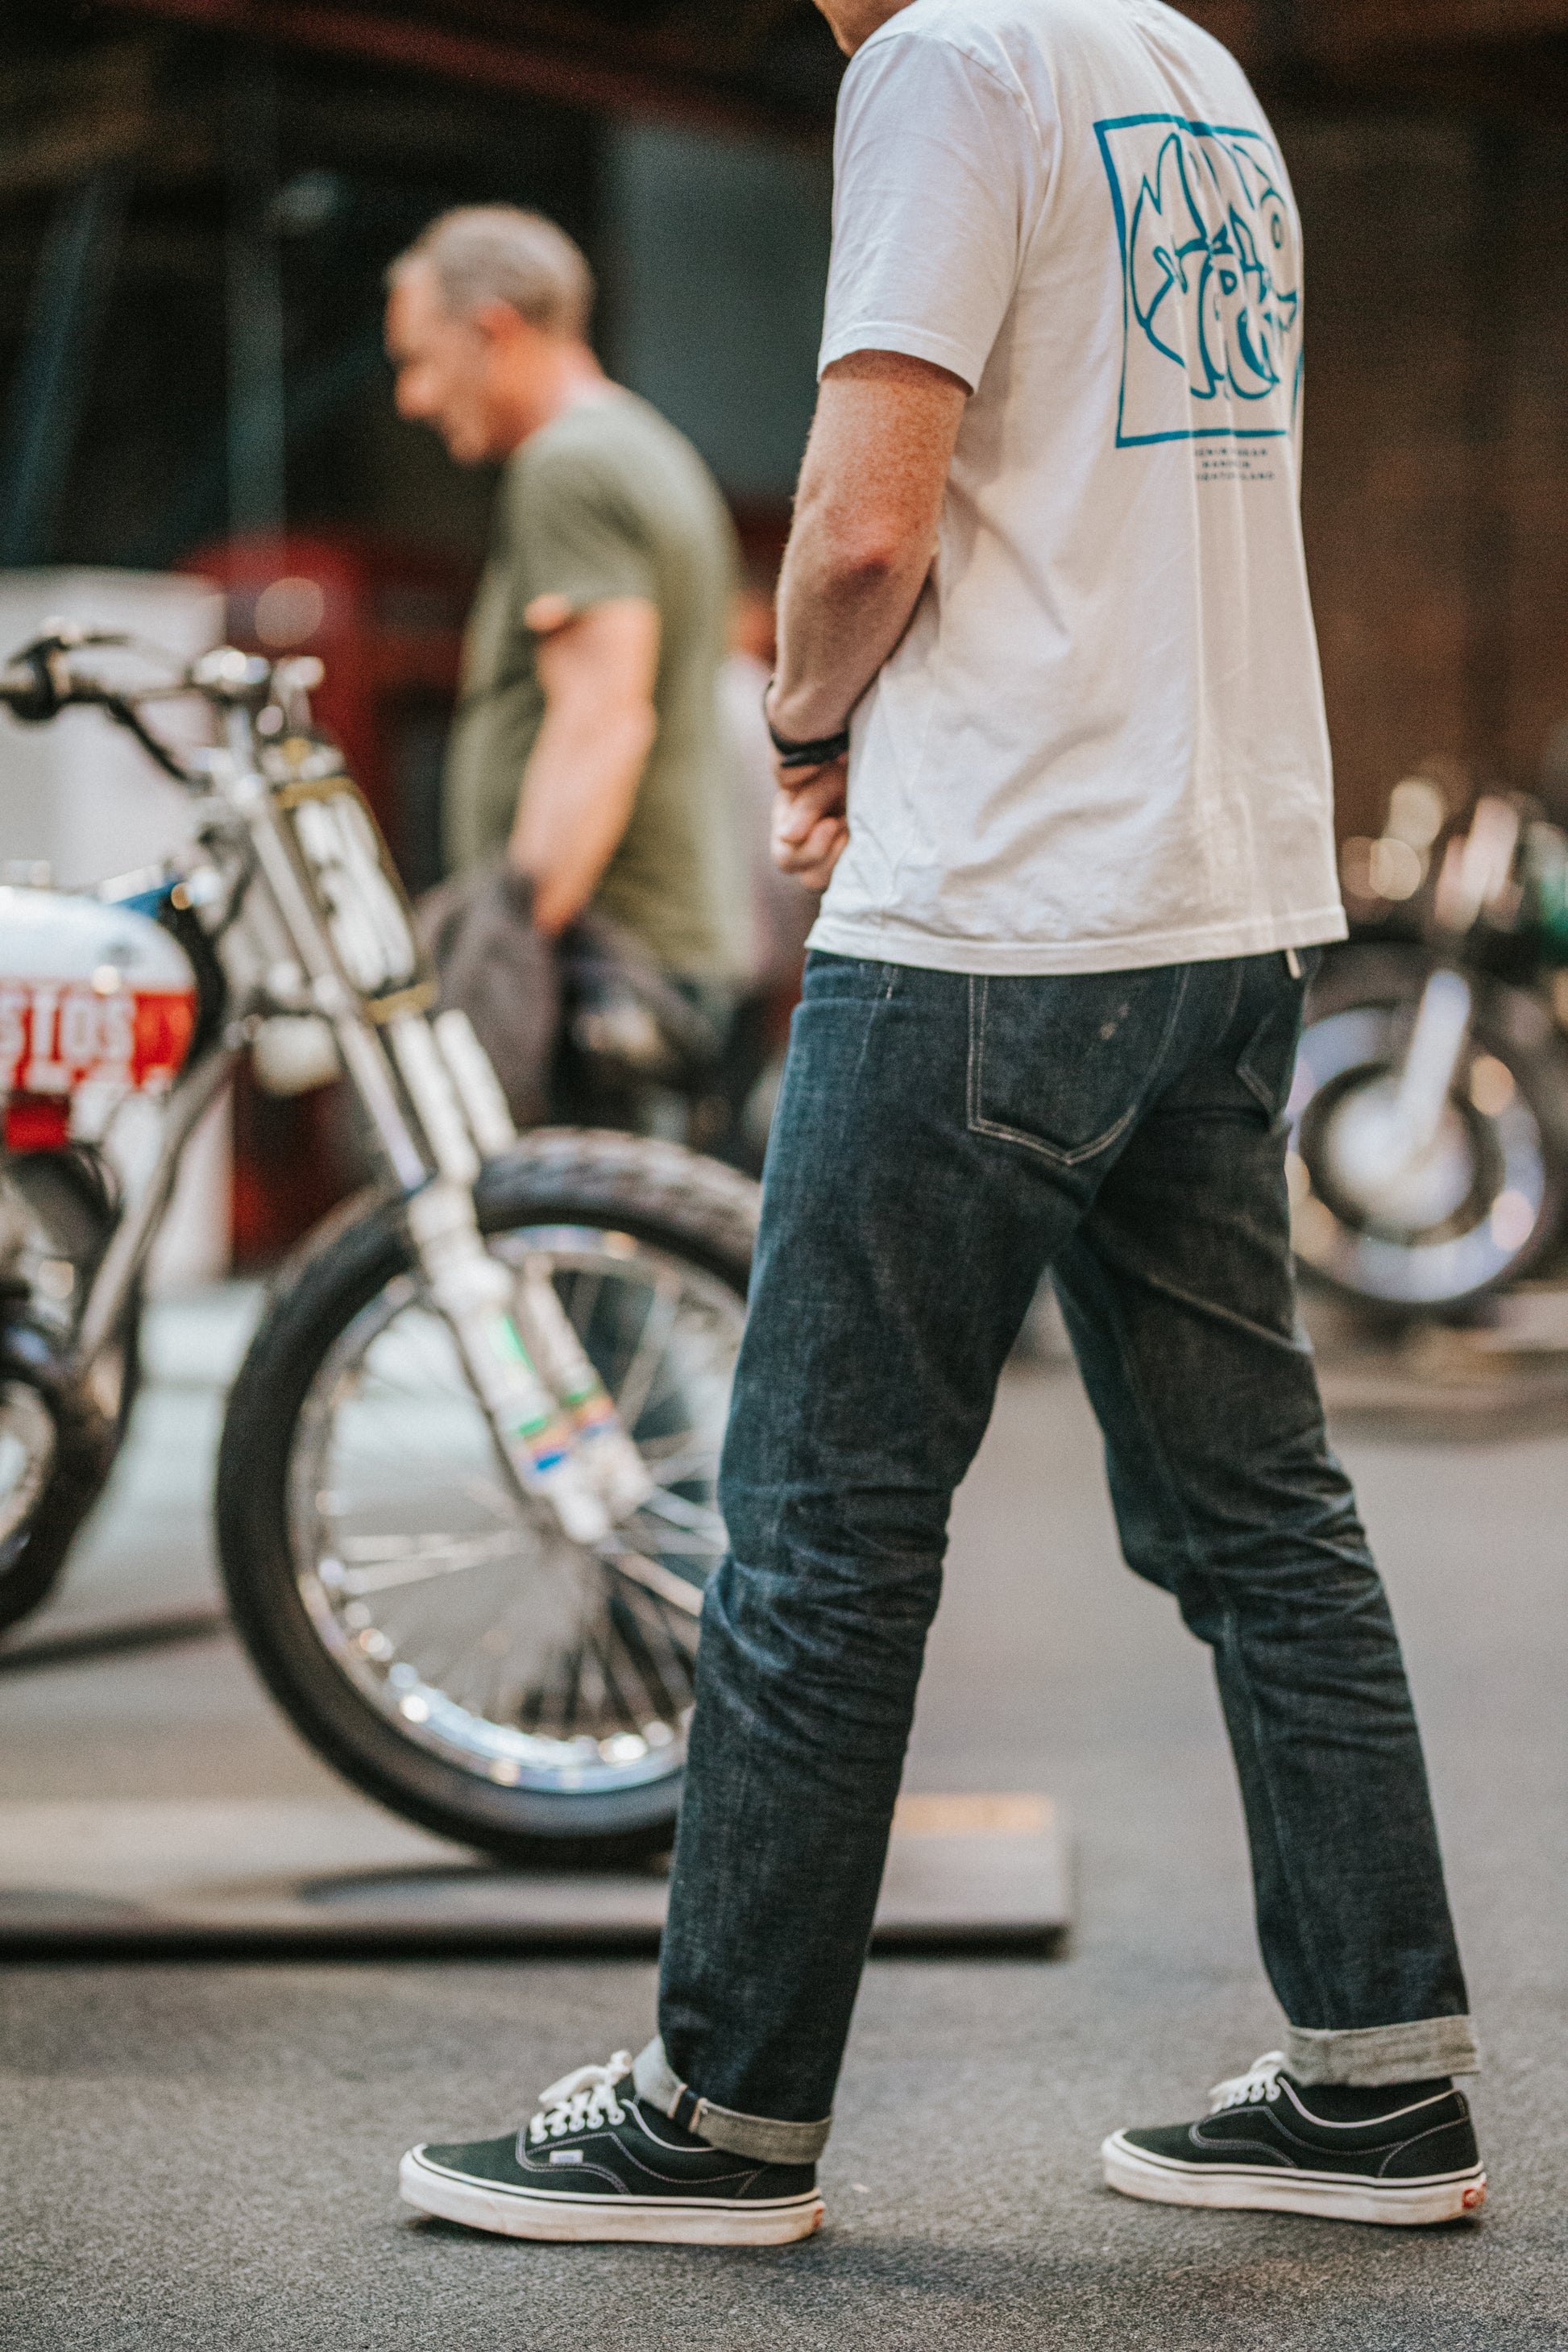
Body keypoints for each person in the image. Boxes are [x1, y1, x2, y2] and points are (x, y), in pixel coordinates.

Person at [397, 0, 1485, 2246]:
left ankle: (719, 2109)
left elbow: (869, 523)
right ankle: (1381, 2074)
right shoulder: (1192, 69)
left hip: (992, 913)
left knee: (817, 1525)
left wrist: (804, 721)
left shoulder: (945, 68)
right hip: (1215, 905)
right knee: (1259, 1512)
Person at [384, 205, 749, 1122]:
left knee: (580, 1250)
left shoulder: (570, 468)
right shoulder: (642, 446)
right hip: (646, 947)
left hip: (604, 966)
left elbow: (600, 721)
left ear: (493, 330)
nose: (413, 399)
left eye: (420, 361)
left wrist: (510, 956)